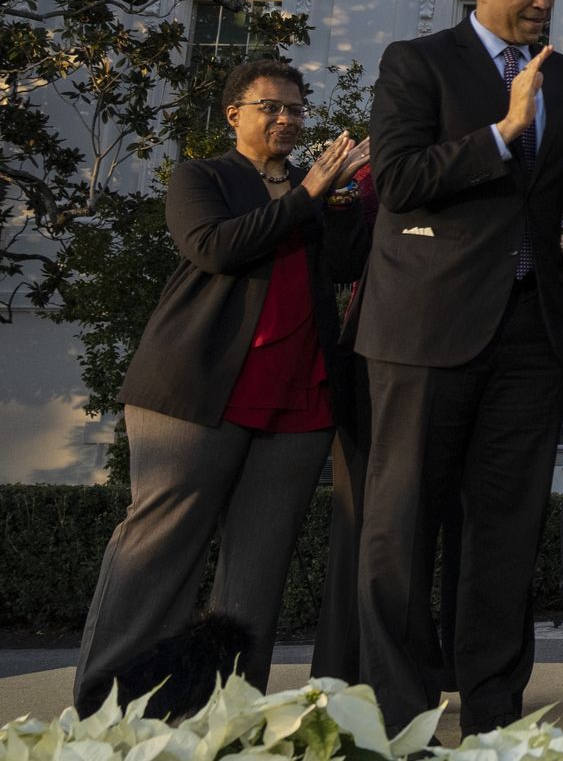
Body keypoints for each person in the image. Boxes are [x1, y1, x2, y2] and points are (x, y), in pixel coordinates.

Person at [353, 0, 563, 734]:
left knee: (506, 534)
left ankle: (493, 718)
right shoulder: (419, 62)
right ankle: (396, 720)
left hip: (529, 337)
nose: (545, 3)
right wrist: (504, 132)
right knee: (401, 529)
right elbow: (398, 182)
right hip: (424, 333)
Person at [74, 60, 368, 714]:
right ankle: (104, 702)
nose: (287, 119)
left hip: (299, 398)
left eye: (296, 109)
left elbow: (345, 265)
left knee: (257, 573)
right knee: (159, 547)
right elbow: (214, 248)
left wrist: (342, 200)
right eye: (272, 107)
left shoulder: (311, 190)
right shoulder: (202, 176)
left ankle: (221, 712)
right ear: (233, 113)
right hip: (197, 389)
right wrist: (307, 195)